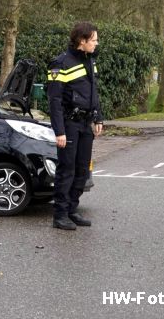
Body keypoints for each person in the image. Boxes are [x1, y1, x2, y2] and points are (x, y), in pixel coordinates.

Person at [46, 22, 103, 230]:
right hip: (69, 125)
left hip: (86, 124)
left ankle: (72, 209)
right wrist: (59, 131)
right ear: (82, 40)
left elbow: (94, 92)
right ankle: (60, 215)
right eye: (94, 40)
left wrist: (98, 118)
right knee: (66, 170)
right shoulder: (60, 64)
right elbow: (54, 101)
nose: (97, 43)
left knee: (81, 170)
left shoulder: (90, 61)